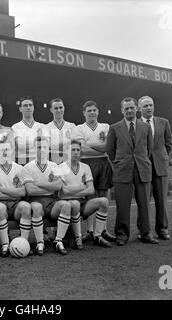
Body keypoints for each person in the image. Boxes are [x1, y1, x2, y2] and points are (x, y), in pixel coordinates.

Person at [106, 97, 159, 246]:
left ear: (136, 108)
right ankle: (122, 234)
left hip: (142, 169)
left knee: (144, 204)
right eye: (126, 108)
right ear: (122, 110)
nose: (129, 110)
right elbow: (110, 150)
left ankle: (146, 233)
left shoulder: (145, 127)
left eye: (131, 108)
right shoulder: (114, 128)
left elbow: (149, 149)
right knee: (122, 204)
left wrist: (141, 161)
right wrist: (120, 163)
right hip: (123, 170)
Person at [72, 100, 116, 243]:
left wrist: (89, 144)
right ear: (84, 113)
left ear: (98, 111)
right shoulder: (79, 128)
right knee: (89, 197)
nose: (91, 112)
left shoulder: (105, 127)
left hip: (103, 163)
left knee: (104, 197)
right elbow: (81, 149)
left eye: (94, 110)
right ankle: (90, 231)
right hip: (85, 164)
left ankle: (103, 230)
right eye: (88, 110)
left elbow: (107, 147)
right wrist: (99, 146)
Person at [57, 139, 112, 248]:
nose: (76, 152)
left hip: (82, 203)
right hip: (67, 205)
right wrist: (82, 187)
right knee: (73, 204)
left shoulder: (85, 167)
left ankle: (97, 236)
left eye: (78, 150)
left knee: (104, 201)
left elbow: (91, 190)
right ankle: (74, 236)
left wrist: (73, 190)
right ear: (67, 151)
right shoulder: (60, 167)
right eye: (73, 150)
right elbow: (64, 192)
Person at [22, 136, 72, 255]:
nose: (42, 150)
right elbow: (30, 190)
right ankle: (40, 242)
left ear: (48, 149)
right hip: (35, 201)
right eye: (39, 147)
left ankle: (58, 241)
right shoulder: (28, 167)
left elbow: (59, 186)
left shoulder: (54, 165)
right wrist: (49, 186)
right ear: (35, 149)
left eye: (45, 147)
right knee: (37, 208)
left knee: (66, 205)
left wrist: (39, 184)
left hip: (51, 202)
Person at [138, 96, 172, 240]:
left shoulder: (164, 122)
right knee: (143, 200)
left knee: (162, 200)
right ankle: (144, 231)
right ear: (140, 108)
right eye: (145, 106)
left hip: (160, 165)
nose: (149, 108)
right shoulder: (135, 124)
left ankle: (162, 229)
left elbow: (169, 143)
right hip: (142, 165)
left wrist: (164, 157)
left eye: (151, 105)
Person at [0, 139, 32, 257]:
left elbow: (23, 192)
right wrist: (13, 192)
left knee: (26, 207)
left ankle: (23, 244)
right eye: (1, 150)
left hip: (16, 205)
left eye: (7, 149)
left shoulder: (19, 169)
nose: (4, 152)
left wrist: (2, 189)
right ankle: (5, 244)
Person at [11, 96, 45, 165]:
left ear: (33, 108)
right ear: (20, 109)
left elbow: (44, 148)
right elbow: (20, 147)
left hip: (39, 163)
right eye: (25, 105)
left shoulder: (42, 126)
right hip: (22, 163)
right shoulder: (15, 127)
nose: (28, 107)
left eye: (30, 105)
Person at [45, 98, 75, 165]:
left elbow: (75, 145)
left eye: (61, 107)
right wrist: (67, 142)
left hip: (69, 163)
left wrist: (55, 146)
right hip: (53, 163)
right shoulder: (46, 127)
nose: (59, 110)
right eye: (56, 108)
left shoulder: (72, 126)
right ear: (51, 110)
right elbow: (47, 146)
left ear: (64, 108)